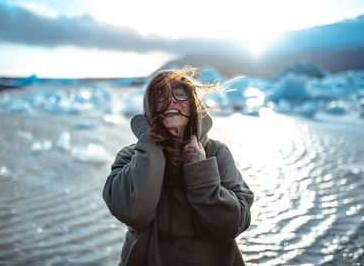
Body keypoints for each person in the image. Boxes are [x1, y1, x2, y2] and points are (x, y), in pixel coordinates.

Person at [102, 67, 254, 266]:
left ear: (192, 106)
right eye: (160, 97)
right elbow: (135, 213)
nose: (171, 101)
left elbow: (233, 225)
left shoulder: (216, 153)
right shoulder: (129, 157)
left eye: (180, 95)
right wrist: (150, 146)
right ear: (149, 110)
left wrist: (200, 170)